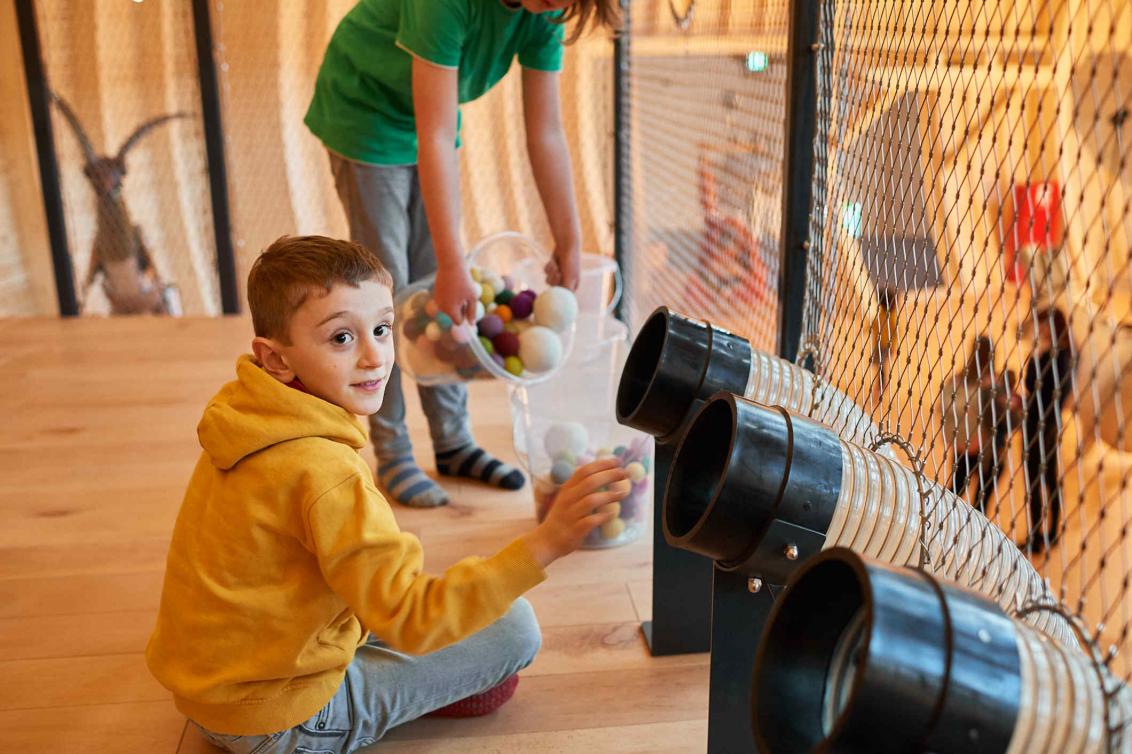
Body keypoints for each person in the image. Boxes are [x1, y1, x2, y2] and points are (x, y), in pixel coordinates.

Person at [145, 236, 629, 753]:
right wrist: (548, 541)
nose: (375, 355)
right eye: (340, 338)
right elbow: (410, 617)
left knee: (446, 601)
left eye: (380, 328)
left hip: (210, 689)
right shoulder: (327, 474)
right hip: (279, 724)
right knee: (514, 629)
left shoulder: (246, 415)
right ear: (276, 359)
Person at [304, 0, 620, 508]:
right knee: (383, 293)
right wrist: (452, 265)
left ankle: (452, 442)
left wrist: (570, 237)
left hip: (427, 113)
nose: (557, 6)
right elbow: (434, 134)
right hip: (364, 108)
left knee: (440, 294)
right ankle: (393, 449)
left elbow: (546, 131)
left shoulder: (545, 13)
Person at [940, 336, 1023, 515]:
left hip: (969, 450)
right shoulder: (992, 386)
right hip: (985, 454)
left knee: (952, 497)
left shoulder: (962, 381)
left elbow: (945, 409)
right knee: (976, 508)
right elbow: (1011, 422)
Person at [1020, 307, 1074, 553]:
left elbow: (1040, 389)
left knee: (1042, 479)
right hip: (1041, 423)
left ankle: (1045, 533)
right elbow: (1031, 385)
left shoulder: (1059, 356)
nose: (1039, 330)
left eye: (1043, 325)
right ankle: (1043, 532)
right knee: (1044, 479)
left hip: (1042, 425)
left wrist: (1037, 355)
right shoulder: (1057, 354)